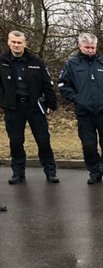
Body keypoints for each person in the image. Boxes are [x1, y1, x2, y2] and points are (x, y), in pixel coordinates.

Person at [58, 33, 103, 184]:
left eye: (92, 47)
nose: (90, 50)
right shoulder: (72, 64)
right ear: (80, 46)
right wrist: (78, 99)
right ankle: (94, 172)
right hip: (84, 113)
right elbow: (63, 85)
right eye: (87, 47)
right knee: (88, 145)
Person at [0, 30, 59, 184]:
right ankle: (18, 173)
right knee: (16, 141)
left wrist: (51, 104)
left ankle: (50, 172)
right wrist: (3, 101)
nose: (16, 45)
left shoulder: (36, 62)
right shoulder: (2, 61)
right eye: (13, 42)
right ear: (9, 42)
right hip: (13, 109)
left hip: (35, 107)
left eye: (19, 42)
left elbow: (47, 84)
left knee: (43, 140)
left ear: (25, 44)